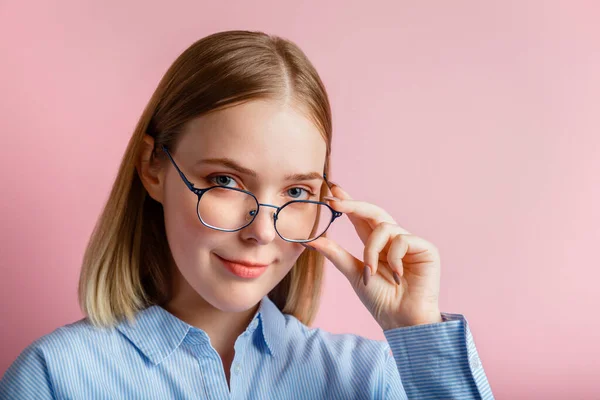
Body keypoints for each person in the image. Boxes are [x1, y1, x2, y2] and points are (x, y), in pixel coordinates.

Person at [0, 30, 494, 399]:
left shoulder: (368, 378)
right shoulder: (54, 377)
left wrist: (417, 331)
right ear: (153, 168)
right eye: (225, 181)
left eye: (297, 190)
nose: (261, 231)